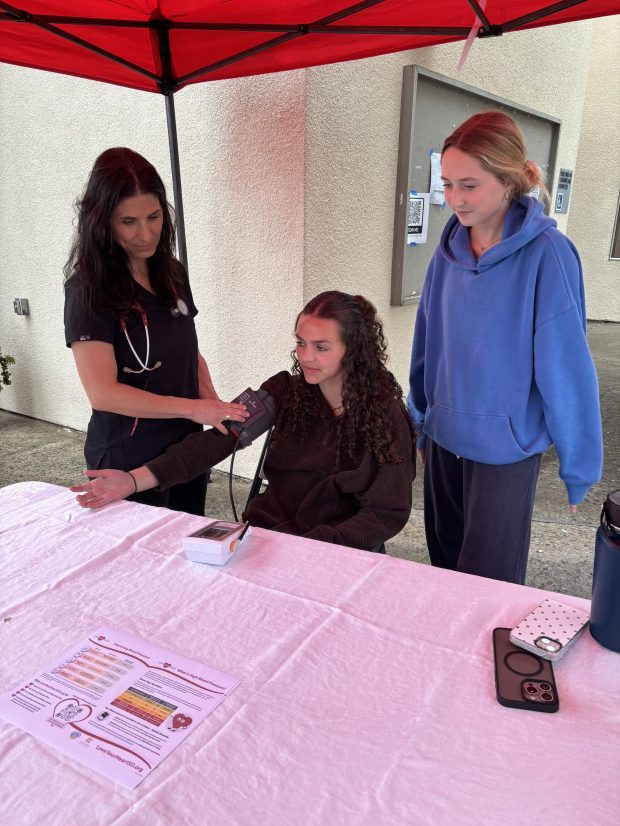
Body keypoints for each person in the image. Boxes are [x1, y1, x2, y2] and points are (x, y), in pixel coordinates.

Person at [408, 111, 602, 584]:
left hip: (505, 452)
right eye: (448, 184)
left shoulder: (548, 254)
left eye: (469, 185)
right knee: (445, 571)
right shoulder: (447, 250)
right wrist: (420, 418)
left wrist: (578, 465)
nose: (454, 199)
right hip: (443, 439)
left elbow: (566, 367)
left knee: (489, 586)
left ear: (509, 179)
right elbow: (426, 341)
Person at [71, 291, 416, 552]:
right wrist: (131, 481)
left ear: (353, 349)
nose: (306, 357)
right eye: (300, 343)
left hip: (336, 551)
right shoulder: (284, 390)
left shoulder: (385, 413)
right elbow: (217, 440)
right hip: (270, 534)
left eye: (321, 347)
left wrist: (318, 546)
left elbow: (387, 512)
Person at [64, 148, 248, 515]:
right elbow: (103, 393)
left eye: (154, 216)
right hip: (126, 456)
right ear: (102, 222)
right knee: (138, 562)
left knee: (185, 547)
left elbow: (188, 353)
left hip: (184, 450)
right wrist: (195, 408)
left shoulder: (172, 274)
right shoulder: (88, 290)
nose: (146, 233)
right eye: (128, 221)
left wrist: (213, 406)